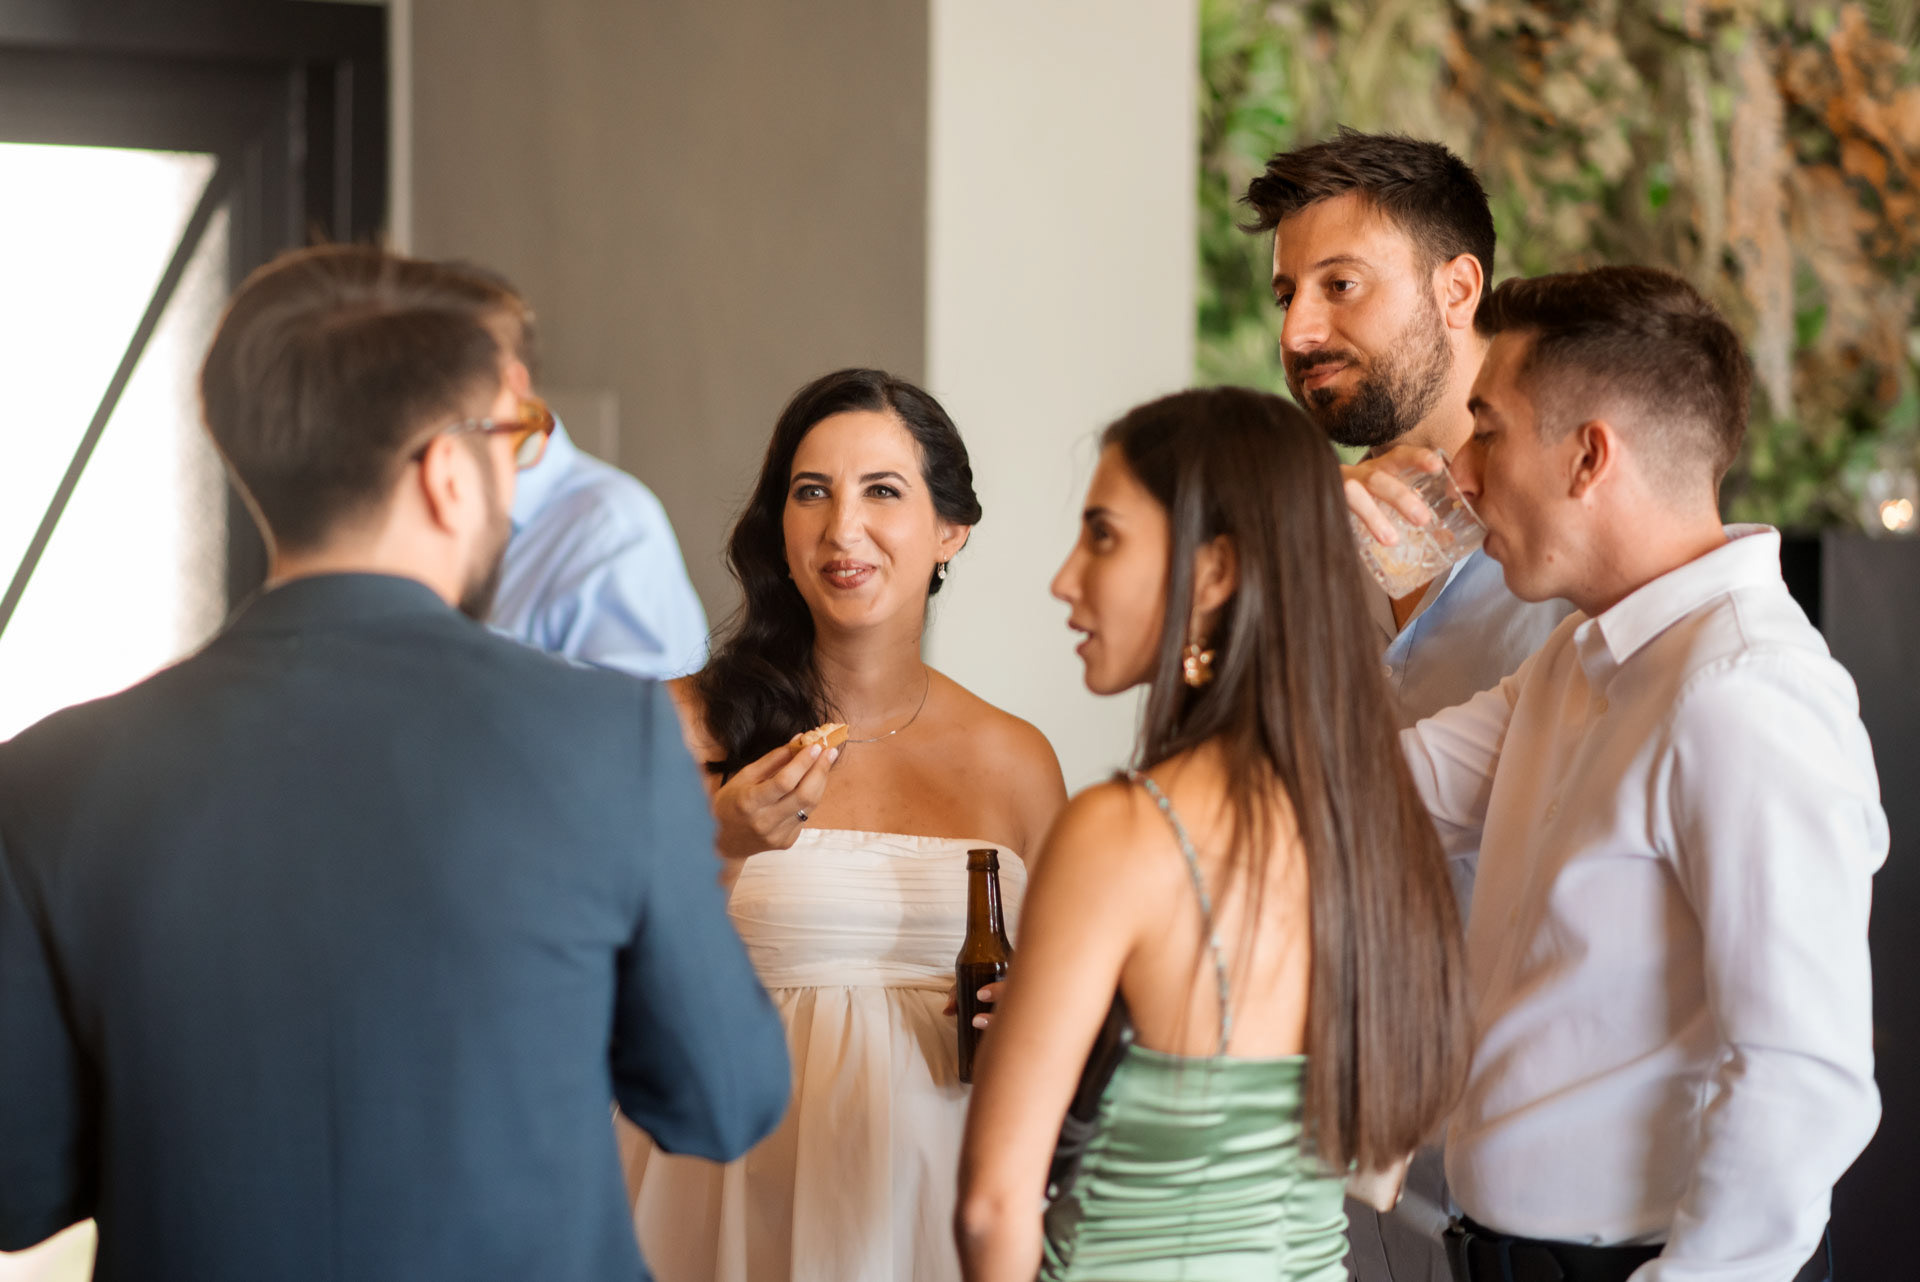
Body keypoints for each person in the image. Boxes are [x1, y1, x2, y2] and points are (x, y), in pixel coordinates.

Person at [0, 245, 791, 1282]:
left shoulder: (49, 776)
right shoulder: (612, 739)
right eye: (512, 442)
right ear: (447, 473)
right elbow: (721, 1097)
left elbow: (18, 1186)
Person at [1360, 267, 1884, 1282]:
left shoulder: (1743, 691)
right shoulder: (1574, 660)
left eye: (1489, 429)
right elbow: (1364, 800)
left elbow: (1803, 1074)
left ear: (1589, 455)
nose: (1457, 472)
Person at [954, 387, 1472, 1282]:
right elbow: (1378, 1160)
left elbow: (992, 1204)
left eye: (1104, 535)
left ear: (1217, 570)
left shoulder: (1121, 832)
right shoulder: (1370, 819)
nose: (1064, 578)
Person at [618, 367, 1068, 1282]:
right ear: (778, 531)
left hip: (937, 1202)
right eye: (810, 492)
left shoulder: (1015, 758)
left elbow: (1075, 1009)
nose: (841, 529)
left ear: (952, 530)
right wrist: (718, 843)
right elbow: (595, 985)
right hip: (730, 1191)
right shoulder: (680, 726)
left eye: (883, 492)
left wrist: (1031, 1006)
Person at [1243, 128, 1575, 1281]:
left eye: (1341, 286)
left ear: (1457, 286)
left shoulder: (1581, 537)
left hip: (1535, 1175)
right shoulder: (1294, 540)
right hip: (1316, 1164)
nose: (1297, 332)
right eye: (1287, 292)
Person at [436, 264, 710, 678]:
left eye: (430, 379)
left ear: (510, 387)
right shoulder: (414, 507)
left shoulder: (614, 527)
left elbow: (642, 723)